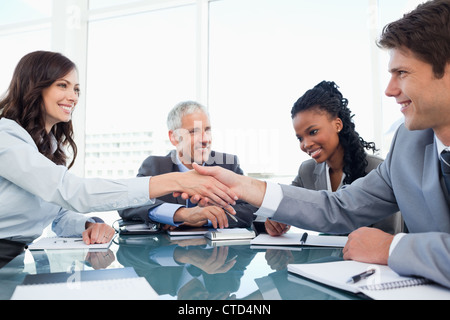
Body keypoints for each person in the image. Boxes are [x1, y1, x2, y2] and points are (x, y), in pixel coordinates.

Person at [187, 0, 450, 288]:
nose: (389, 90)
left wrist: (393, 249)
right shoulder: (408, 144)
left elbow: (387, 239)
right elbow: (340, 207)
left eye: (402, 73)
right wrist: (246, 186)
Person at [0, 51, 237, 245]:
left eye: (76, 89)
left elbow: (58, 212)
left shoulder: (47, 146)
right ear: (34, 86)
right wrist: (177, 181)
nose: (73, 96)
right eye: (63, 85)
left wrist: (89, 225)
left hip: (17, 253)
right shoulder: (6, 137)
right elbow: (72, 192)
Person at [265, 81, 403, 236]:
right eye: (300, 138)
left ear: (337, 125)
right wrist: (277, 219)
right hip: (325, 258)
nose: (306, 144)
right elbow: (288, 202)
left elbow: (389, 234)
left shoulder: (378, 170)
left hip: (366, 259)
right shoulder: (307, 170)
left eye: (313, 132)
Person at [119, 101, 257, 229]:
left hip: (217, 251)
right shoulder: (155, 166)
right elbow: (126, 204)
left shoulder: (227, 164)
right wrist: (179, 214)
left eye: (207, 130)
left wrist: (207, 218)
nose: (205, 139)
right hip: (168, 251)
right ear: (173, 137)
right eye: (194, 132)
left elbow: (250, 209)